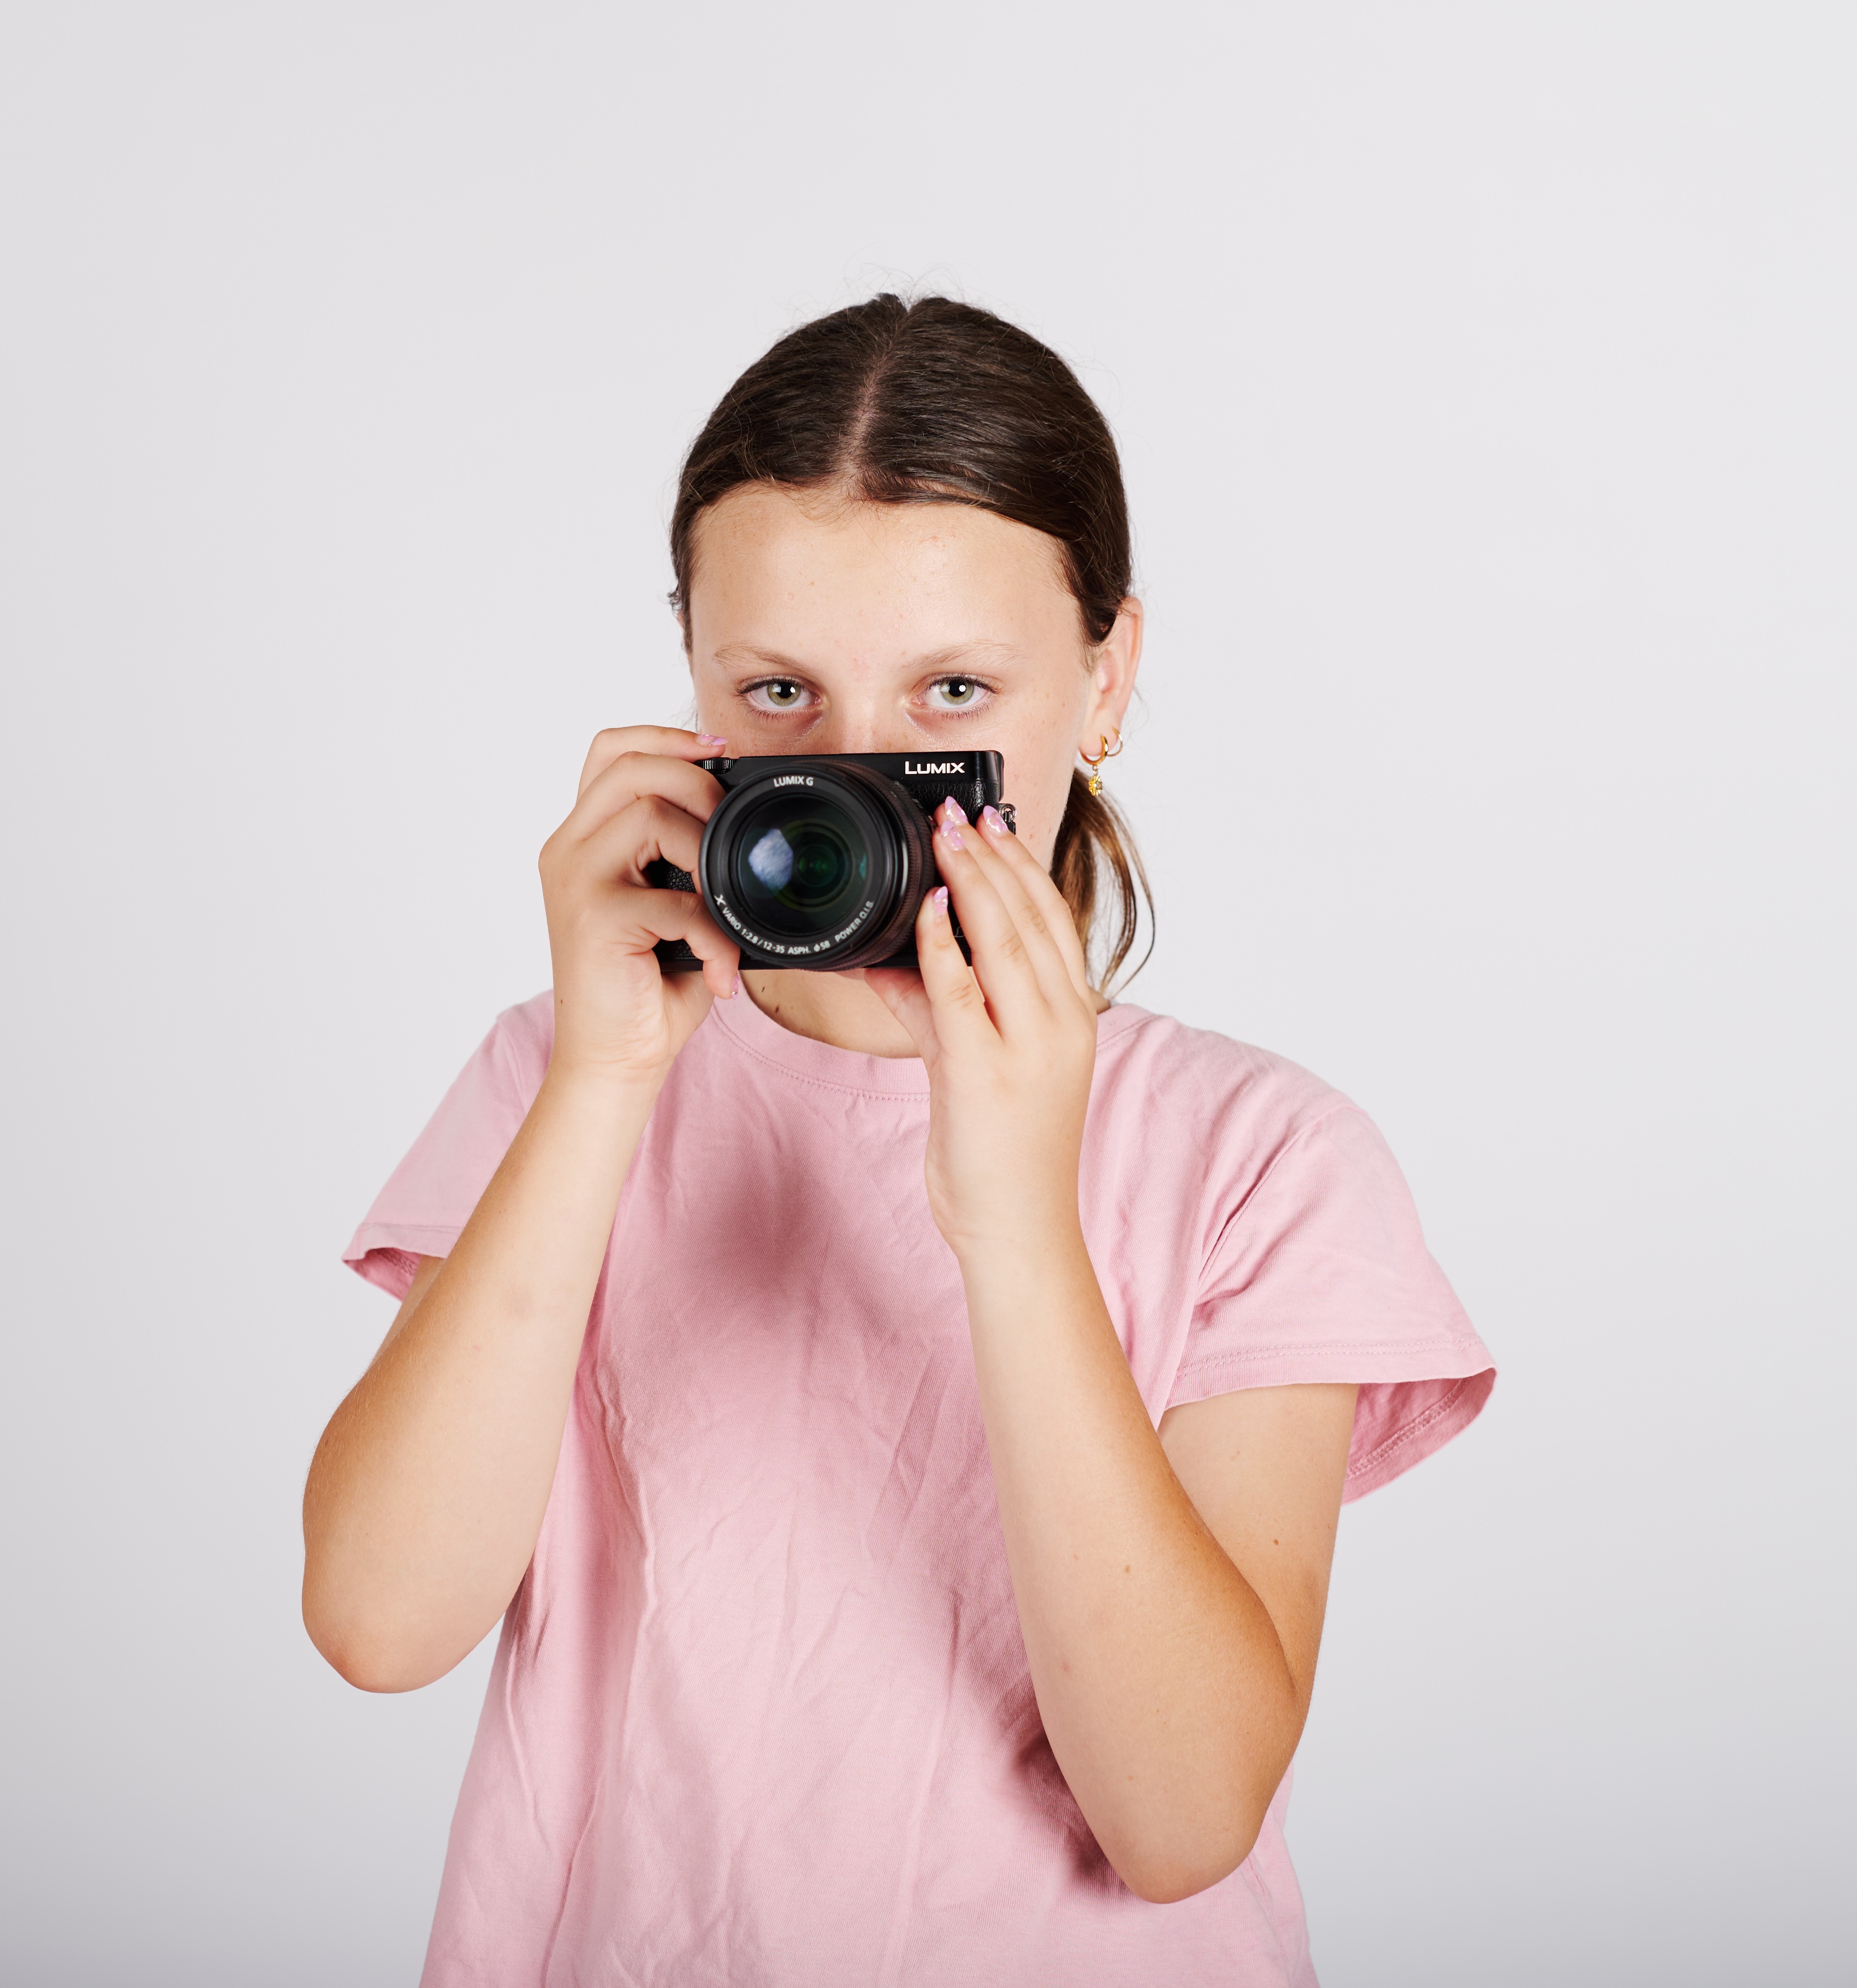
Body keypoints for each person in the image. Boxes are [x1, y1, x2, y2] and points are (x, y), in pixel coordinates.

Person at [301, 294, 1496, 1987]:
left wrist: (1014, 1218)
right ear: (691, 687)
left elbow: (1181, 1813)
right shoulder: (556, 1085)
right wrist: (600, 1083)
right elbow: (375, 1620)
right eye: (778, 690)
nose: (851, 770)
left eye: (949, 690)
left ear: (1106, 680)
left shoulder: (1259, 1160)